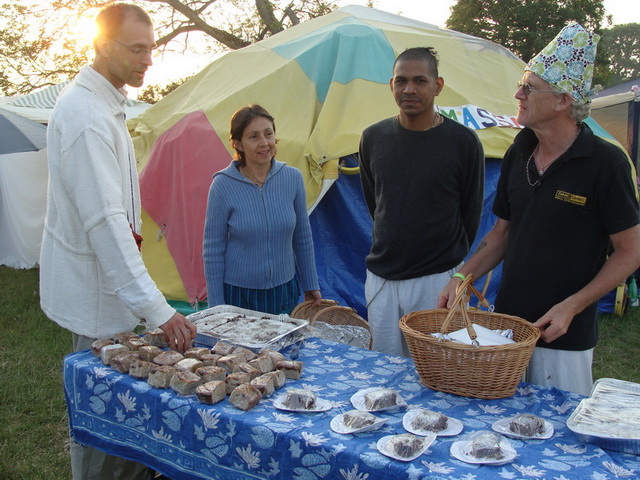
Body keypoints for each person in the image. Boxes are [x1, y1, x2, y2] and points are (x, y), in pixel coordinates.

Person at [438, 22, 640, 395]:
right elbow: (502, 233)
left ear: (564, 100)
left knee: (558, 441)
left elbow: (630, 252)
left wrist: (573, 306)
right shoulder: (519, 150)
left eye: (529, 87)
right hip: (507, 329)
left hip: (563, 333)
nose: (518, 93)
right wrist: (461, 277)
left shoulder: (604, 163)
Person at [40, 4, 196, 479]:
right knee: (104, 428)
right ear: (101, 44)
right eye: (135, 49)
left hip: (112, 301)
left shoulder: (104, 105)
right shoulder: (86, 116)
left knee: (123, 424)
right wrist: (158, 309)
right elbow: (106, 224)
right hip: (98, 303)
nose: (147, 59)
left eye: (150, 48)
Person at [359, 47, 485, 357]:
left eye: (419, 81)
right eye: (401, 81)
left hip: (437, 279)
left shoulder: (463, 142)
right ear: (391, 85)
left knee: (438, 367)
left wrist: (447, 265)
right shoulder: (373, 138)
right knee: (385, 368)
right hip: (382, 279)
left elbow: (470, 213)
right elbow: (375, 203)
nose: (409, 89)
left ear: (437, 85)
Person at [203, 104, 322, 314]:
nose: (264, 143)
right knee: (241, 348)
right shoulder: (223, 185)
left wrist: (311, 284)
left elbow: (302, 236)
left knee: (283, 347)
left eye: (268, 134)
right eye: (254, 136)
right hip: (239, 293)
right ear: (237, 144)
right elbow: (213, 249)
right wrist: (217, 305)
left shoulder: (292, 178)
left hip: (284, 290)